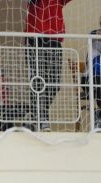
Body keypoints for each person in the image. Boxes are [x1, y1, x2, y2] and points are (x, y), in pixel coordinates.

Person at [25, 0, 72, 131]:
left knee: (55, 84)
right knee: (38, 81)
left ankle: (36, 114)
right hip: (35, 38)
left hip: (55, 40)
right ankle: (42, 117)